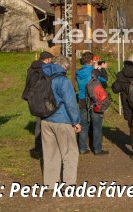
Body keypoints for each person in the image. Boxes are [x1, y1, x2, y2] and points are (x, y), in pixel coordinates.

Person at [41, 55, 81, 186]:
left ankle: (51, 184)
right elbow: (71, 103)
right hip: (62, 120)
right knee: (70, 152)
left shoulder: (43, 77)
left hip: (45, 120)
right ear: (65, 67)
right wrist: (76, 121)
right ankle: (69, 184)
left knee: (50, 153)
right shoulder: (63, 81)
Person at [75, 52, 109, 155]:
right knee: (97, 125)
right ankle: (97, 149)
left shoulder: (78, 72)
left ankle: (82, 148)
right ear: (91, 61)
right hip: (94, 101)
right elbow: (104, 80)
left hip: (81, 100)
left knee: (84, 125)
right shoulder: (93, 71)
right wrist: (102, 68)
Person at [21, 51, 54, 158]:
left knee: (39, 122)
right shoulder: (44, 69)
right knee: (46, 121)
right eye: (51, 59)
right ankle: (43, 148)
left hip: (32, 98)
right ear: (47, 59)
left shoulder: (32, 67)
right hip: (42, 98)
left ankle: (38, 148)